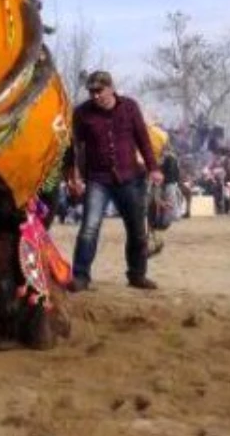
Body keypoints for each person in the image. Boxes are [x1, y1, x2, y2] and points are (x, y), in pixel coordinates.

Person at [64, 70, 163, 292]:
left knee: (137, 229)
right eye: (91, 92)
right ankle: (81, 277)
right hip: (98, 179)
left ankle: (137, 275)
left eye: (99, 91)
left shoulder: (130, 107)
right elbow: (74, 146)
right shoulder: (81, 113)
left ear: (111, 88)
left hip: (130, 178)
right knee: (89, 227)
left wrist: (153, 168)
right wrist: (72, 174)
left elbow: (143, 141)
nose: (95, 96)